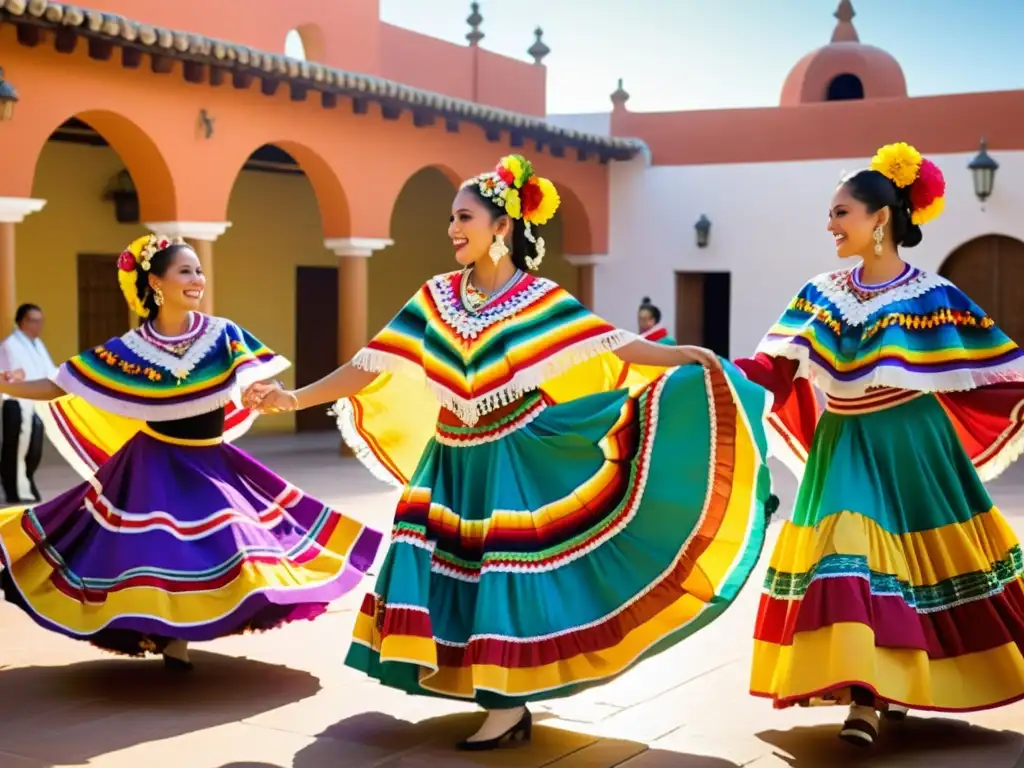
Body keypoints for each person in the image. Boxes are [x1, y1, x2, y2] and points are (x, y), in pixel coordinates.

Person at [244, 155, 777, 750]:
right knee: (460, 573)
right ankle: (486, 689)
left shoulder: (538, 299)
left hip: (516, 456)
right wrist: (293, 398)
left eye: (464, 216)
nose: (452, 228)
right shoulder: (435, 298)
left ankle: (505, 704)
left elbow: (614, 344)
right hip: (451, 460)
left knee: (506, 573)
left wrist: (685, 357)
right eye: (450, 217)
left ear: (502, 226)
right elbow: (369, 363)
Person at [737, 142, 1024, 747]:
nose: (830, 224)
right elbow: (774, 367)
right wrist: (712, 370)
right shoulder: (820, 292)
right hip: (843, 442)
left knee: (917, 566)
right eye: (832, 213)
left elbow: (999, 368)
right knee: (850, 551)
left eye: (842, 212)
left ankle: (890, 682)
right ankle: (863, 700)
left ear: (880, 219)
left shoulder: (931, 295)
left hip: (913, 443)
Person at [0, 234, 382, 670]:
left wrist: (267, 392)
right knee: (153, 552)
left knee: (234, 546)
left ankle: (191, 628)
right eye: (185, 271)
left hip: (210, 461)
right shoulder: (132, 349)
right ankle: (171, 637)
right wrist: (5, 384)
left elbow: (253, 379)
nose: (197, 279)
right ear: (157, 282)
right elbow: (61, 383)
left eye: (199, 270)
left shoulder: (223, 335)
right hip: (152, 464)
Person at [0, 304, 57, 503]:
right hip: (17, 404)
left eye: (41, 320)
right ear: (23, 322)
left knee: (33, 451)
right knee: (16, 450)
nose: (39, 325)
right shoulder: (10, 344)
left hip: (36, 404)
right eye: (35, 321)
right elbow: (18, 375)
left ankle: (26, 484)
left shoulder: (38, 343)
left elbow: (49, 370)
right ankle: (14, 490)